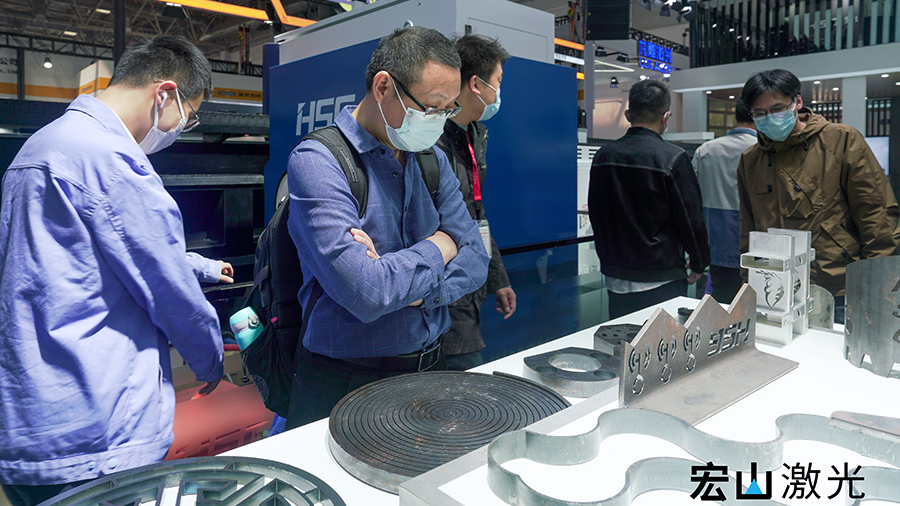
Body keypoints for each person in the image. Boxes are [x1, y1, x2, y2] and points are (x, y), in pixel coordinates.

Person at [0, 36, 224, 506]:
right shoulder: (114, 162)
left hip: (28, 427)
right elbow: (168, 289)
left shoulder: (40, 148)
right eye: (188, 115)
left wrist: (200, 265)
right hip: (97, 437)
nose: (181, 129)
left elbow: (82, 258)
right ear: (164, 94)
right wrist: (210, 359)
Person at [284, 26, 489, 429]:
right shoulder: (318, 162)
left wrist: (409, 292)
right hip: (344, 383)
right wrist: (440, 246)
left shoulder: (431, 160)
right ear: (383, 88)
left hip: (431, 367)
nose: (438, 121)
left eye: (447, 110)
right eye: (431, 107)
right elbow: (367, 293)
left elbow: (476, 261)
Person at [737, 69, 900, 322]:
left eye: (778, 109)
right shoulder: (751, 160)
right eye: (760, 113)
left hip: (839, 288)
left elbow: (877, 217)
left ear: (797, 102)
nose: (770, 118)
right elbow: (749, 227)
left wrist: (878, 289)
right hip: (775, 289)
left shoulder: (841, 140)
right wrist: (749, 283)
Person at [588, 79, 710, 320]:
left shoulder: (603, 155)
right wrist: (699, 262)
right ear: (666, 117)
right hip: (661, 275)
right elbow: (690, 219)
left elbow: (596, 213)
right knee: (663, 340)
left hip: (616, 276)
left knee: (622, 339)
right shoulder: (673, 158)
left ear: (628, 115)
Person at [433, 34, 515, 371]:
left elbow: (475, 214)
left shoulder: (474, 134)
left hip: (469, 285)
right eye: (498, 81)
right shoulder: (432, 139)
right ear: (476, 84)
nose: (499, 92)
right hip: (441, 291)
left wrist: (498, 278)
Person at [691, 100, 757, 304]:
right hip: (756, 246)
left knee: (720, 305)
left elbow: (691, 200)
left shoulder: (705, 150)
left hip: (716, 244)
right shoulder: (763, 149)